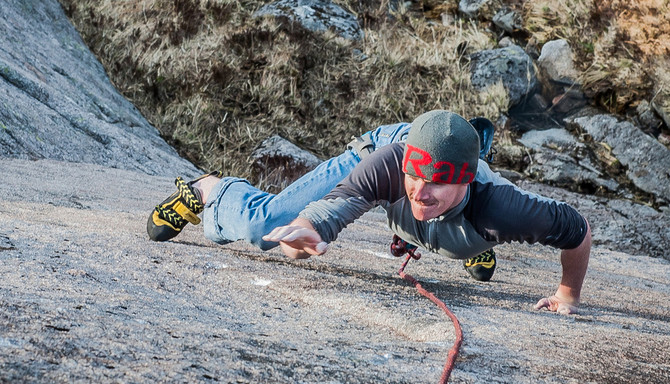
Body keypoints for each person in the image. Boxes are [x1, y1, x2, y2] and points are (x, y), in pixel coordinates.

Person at [148, 110, 591, 314]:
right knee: (265, 227)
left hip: (469, 198)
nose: (422, 190)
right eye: (416, 178)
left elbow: (577, 230)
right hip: (389, 144)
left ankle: (461, 242)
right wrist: (303, 234)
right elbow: (329, 210)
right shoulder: (391, 166)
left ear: (466, 178)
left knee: (464, 233)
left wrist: (567, 296)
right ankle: (210, 190)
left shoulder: (502, 206)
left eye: (438, 182)